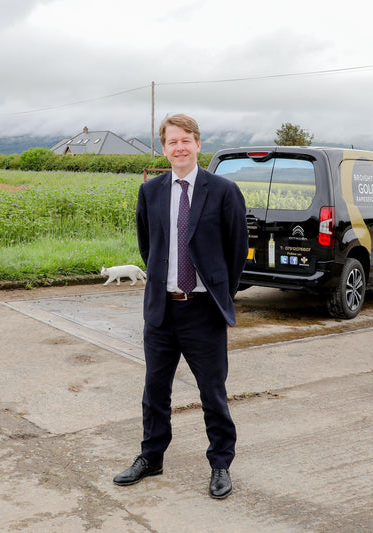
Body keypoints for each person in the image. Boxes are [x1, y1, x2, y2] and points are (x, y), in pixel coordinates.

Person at [113, 114, 248, 499]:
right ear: (164, 148)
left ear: (198, 144)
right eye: (172, 142)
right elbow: (147, 245)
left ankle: (221, 463)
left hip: (203, 310)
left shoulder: (223, 190)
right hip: (161, 310)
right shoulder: (151, 191)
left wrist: (220, 291)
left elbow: (236, 250)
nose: (180, 148)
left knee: (212, 391)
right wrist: (163, 281)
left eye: (186, 140)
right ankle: (150, 457)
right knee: (155, 389)